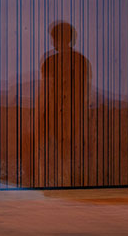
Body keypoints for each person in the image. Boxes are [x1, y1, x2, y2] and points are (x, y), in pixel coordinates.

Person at [39, 21, 91, 185]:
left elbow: (47, 90)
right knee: (68, 152)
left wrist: (41, 115)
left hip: (59, 114)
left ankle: (62, 183)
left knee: (59, 151)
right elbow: (85, 92)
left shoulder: (52, 61)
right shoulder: (81, 60)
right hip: (73, 113)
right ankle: (68, 183)